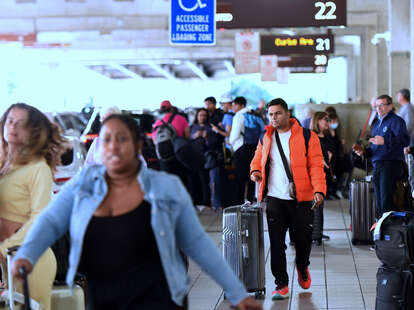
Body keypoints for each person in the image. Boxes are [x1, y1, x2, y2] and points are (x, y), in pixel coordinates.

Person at [11, 114, 262, 310]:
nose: (113, 147)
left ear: (138, 145)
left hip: (157, 296)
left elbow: (197, 243)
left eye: (122, 139)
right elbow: (52, 220)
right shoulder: (84, 184)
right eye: (106, 140)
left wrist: (236, 292)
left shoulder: (165, 188)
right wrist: (27, 254)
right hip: (101, 296)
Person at [250, 98, 326, 301]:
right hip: (275, 199)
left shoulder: (308, 136)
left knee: (302, 240)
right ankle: (281, 284)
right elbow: (257, 158)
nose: (273, 118)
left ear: (287, 114)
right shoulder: (265, 137)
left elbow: (316, 166)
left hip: (302, 198)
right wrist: (255, 170)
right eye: (271, 114)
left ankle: (302, 266)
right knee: (276, 243)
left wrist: (319, 190)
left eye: (278, 113)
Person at [0, 103, 67, 310]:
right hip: (7, 261)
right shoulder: (5, 166)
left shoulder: (38, 168)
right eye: (10, 121)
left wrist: (4, 248)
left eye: (21, 124)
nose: (13, 127)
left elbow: (40, 219)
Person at [353, 94, 409, 218]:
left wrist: (385, 141)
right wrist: (364, 152)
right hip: (378, 165)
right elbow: (375, 148)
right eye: (377, 106)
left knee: (386, 201)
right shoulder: (377, 124)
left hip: (391, 164)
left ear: (390, 106)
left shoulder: (396, 121)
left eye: (382, 105)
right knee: (379, 201)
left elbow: (404, 140)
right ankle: (382, 229)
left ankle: (389, 232)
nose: (379, 108)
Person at [152, 100, 190, 187]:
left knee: (168, 184)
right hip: (180, 156)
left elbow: (155, 141)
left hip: (164, 157)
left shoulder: (158, 123)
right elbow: (187, 137)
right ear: (171, 108)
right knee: (183, 183)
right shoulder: (182, 119)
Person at [310, 111, 334, 245]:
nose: (327, 122)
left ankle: (318, 232)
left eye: (328, 119)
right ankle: (315, 235)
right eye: (325, 119)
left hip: (325, 174)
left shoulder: (327, 135)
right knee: (316, 204)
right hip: (316, 174)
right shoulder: (312, 136)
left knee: (321, 204)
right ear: (317, 120)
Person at [230, 96, 257, 204]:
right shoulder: (253, 113)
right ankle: (250, 200)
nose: (233, 107)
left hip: (241, 148)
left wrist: (230, 142)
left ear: (241, 105)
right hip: (253, 147)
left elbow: (235, 134)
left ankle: (239, 202)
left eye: (234, 104)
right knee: (251, 176)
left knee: (240, 178)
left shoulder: (239, 115)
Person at [396, 88, 414, 194]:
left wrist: (400, 139)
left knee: (412, 173)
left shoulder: (408, 108)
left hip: (409, 144)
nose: (397, 97)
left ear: (402, 96)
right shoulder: (404, 108)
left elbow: (409, 125)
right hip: (406, 144)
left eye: (398, 95)